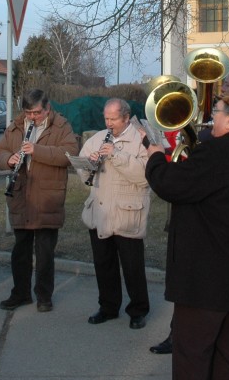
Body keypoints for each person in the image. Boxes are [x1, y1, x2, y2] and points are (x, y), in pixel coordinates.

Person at [145, 82, 229, 380]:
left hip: (205, 280)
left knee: (192, 355)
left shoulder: (218, 152)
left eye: (217, 111)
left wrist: (154, 157)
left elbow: (171, 184)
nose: (212, 117)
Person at [0, 89, 77, 313]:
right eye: (28, 113)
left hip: (48, 197)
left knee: (45, 252)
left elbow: (69, 154)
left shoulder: (61, 126)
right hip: (21, 196)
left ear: (47, 108)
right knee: (20, 250)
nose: (32, 117)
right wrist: (8, 160)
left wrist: (36, 150)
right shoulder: (16, 126)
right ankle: (20, 293)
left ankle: (44, 296)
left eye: (37, 113)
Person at [77, 98, 151, 329]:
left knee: (132, 267)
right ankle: (108, 307)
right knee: (104, 264)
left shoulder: (141, 139)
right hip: (100, 210)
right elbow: (83, 174)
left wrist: (116, 155)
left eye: (113, 119)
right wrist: (89, 165)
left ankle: (138, 310)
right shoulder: (97, 138)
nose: (108, 124)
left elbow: (145, 176)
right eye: (106, 118)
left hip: (128, 212)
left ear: (126, 118)